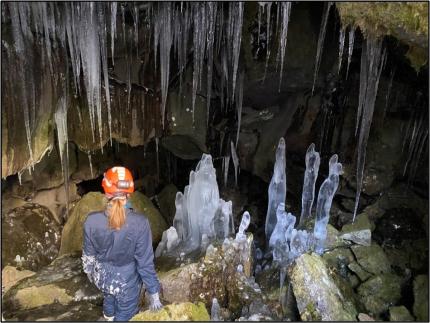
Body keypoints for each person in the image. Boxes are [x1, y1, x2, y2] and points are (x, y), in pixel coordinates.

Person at [82, 166, 163, 321]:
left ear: (106, 192)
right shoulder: (140, 223)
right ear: (129, 192)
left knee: (109, 296)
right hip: (127, 283)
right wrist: (154, 293)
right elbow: (145, 263)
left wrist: (91, 273)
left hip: (102, 277)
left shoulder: (91, 221)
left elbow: (88, 256)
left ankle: (108, 317)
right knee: (125, 315)